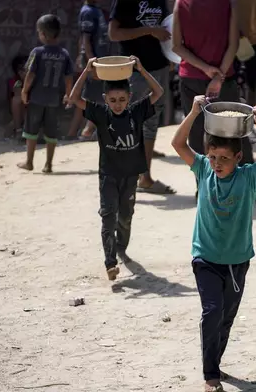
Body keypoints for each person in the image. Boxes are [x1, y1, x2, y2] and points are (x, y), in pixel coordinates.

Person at [171, 95, 256, 392]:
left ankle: (214, 362)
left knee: (226, 319)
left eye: (224, 159)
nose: (217, 164)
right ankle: (210, 376)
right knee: (212, 311)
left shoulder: (248, 178)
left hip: (237, 260)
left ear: (238, 159)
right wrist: (194, 112)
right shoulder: (203, 169)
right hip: (205, 257)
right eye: (213, 157)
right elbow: (178, 144)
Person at [68, 56, 163, 280]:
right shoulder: (100, 113)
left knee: (126, 216)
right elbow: (74, 98)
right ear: (105, 99)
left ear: (129, 98)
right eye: (113, 100)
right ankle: (110, 263)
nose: (118, 104)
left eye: (122, 99)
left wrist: (140, 68)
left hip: (130, 176)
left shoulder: (136, 111)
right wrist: (87, 70)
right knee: (108, 217)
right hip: (108, 176)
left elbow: (158, 92)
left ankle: (121, 246)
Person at [172, 0, 256, 200]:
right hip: (224, 77)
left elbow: (177, 47)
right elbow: (234, 44)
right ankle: (253, 186)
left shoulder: (181, 3)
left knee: (196, 134)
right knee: (238, 130)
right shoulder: (228, 3)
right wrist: (217, 77)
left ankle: (203, 186)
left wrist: (204, 69)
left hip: (191, 78)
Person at [109, 0, 176, 195]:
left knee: (150, 123)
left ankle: (144, 178)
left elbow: (166, 28)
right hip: (133, 71)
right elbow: (114, 34)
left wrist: (170, 55)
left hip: (159, 68)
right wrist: (148, 30)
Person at [18, 14, 73, 173]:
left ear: (42, 33)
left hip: (36, 98)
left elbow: (30, 75)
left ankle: (29, 161)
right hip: (54, 100)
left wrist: (24, 90)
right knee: (51, 133)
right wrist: (68, 94)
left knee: (31, 131)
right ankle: (48, 164)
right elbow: (68, 77)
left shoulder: (37, 52)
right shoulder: (64, 54)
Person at [67, 0, 110, 140]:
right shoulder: (88, 12)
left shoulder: (95, 11)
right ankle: (78, 132)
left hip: (99, 61)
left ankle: (86, 130)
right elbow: (85, 40)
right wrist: (92, 63)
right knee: (89, 97)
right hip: (95, 63)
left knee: (96, 96)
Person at [8, 55, 28, 140]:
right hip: (22, 112)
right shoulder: (15, 81)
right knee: (17, 100)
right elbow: (18, 95)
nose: (24, 72)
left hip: (34, 112)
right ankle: (18, 131)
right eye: (21, 70)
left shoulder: (36, 80)